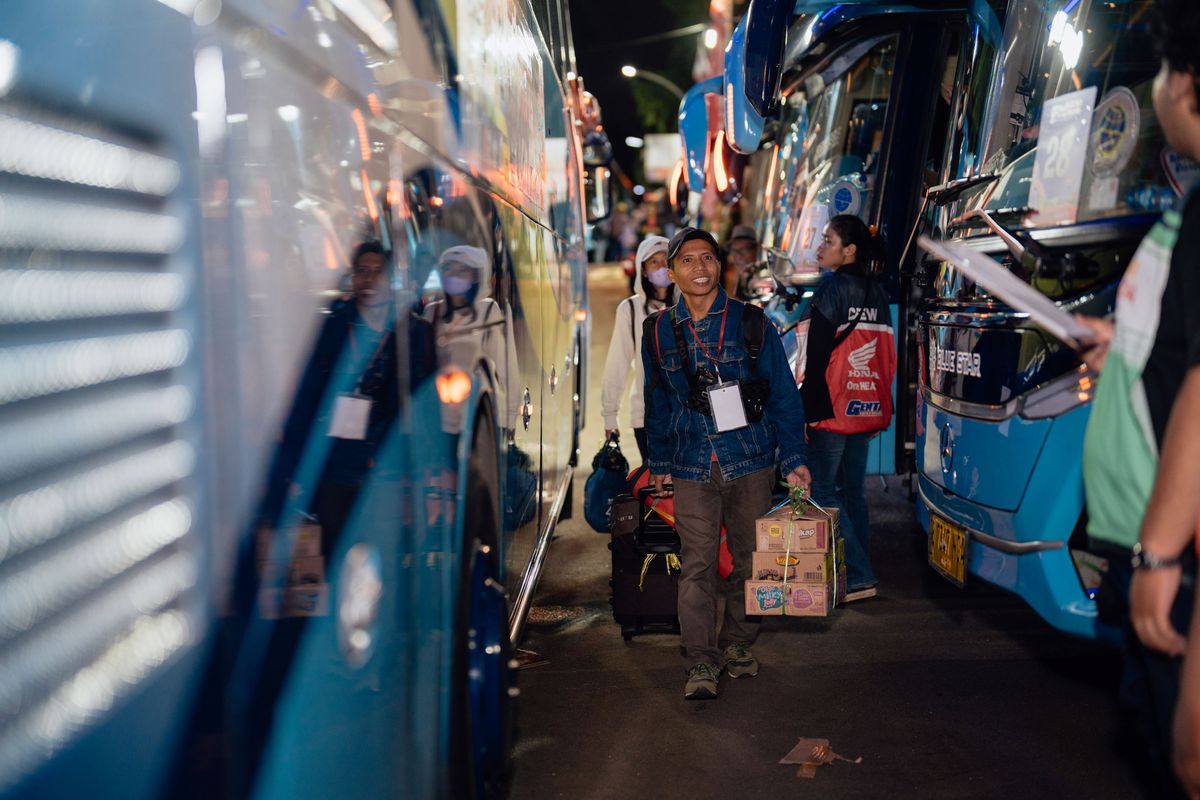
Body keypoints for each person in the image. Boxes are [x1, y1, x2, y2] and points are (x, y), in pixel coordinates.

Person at [1075, 2, 1200, 794]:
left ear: (1189, 85)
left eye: (1159, 69)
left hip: (1175, 552)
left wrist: (1159, 552)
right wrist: (1125, 343)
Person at [642, 227, 811, 701]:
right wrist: (658, 460)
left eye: (709, 258)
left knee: (749, 561)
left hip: (752, 460)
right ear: (671, 272)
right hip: (692, 463)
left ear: (721, 266)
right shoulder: (656, 332)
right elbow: (655, 399)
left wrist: (794, 458)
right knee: (696, 564)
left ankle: (738, 643)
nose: (701, 267)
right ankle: (700, 658)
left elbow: (783, 395)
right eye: (689, 260)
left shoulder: (752, 323)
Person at [800, 215, 893, 603]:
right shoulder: (879, 294)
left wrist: (808, 414)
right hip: (865, 405)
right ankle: (856, 571)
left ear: (849, 250)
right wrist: (878, 402)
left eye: (828, 240)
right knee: (853, 491)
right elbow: (886, 357)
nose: (821, 247)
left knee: (822, 490)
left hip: (832, 410)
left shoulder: (830, 291)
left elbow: (816, 359)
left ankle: (857, 574)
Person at [601, 235, 673, 460]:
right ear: (643, 270)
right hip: (646, 414)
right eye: (654, 262)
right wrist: (610, 417)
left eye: (667, 261)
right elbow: (617, 364)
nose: (662, 268)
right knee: (657, 483)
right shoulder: (630, 310)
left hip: (686, 414)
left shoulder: (689, 304)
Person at [724, 223, 760, 300]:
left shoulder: (761, 278)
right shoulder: (737, 280)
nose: (739, 256)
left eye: (743, 250)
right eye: (734, 251)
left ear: (756, 250)